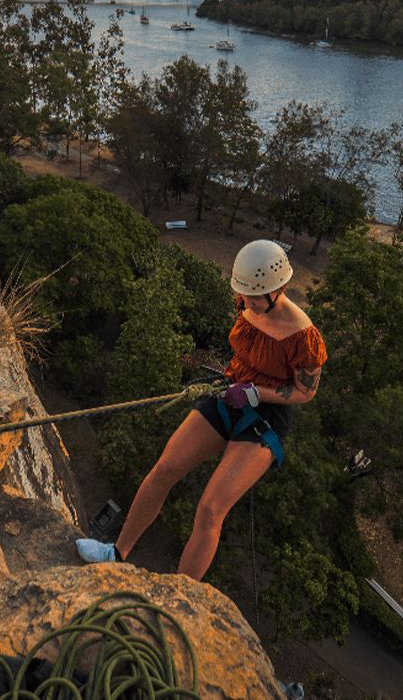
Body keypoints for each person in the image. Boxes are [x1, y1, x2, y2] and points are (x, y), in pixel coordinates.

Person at [76, 240, 326, 579]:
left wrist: (255, 393)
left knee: (210, 509)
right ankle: (117, 552)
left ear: (278, 289)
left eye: (255, 296)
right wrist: (240, 387)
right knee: (165, 468)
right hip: (230, 391)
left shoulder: (303, 336)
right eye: (245, 294)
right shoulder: (246, 301)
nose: (247, 302)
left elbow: (304, 393)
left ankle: (181, 598)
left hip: (265, 416)